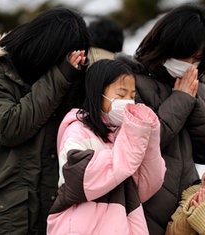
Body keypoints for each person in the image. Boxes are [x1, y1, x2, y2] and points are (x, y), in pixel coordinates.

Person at [0, 7, 90, 234]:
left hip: (44, 214)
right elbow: (10, 127)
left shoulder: (56, 84)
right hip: (1, 219)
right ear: (48, 48)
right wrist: (60, 76)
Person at [116, 3, 205, 234]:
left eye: (196, 59)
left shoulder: (199, 88)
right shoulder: (127, 79)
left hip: (185, 212)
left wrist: (193, 100)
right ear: (166, 45)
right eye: (184, 55)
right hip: (139, 209)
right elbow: (141, 146)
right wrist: (182, 99)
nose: (189, 65)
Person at [47, 59, 166, 235]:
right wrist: (130, 146)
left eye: (132, 96)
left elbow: (149, 184)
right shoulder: (77, 130)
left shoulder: (125, 134)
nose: (127, 102)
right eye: (121, 94)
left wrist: (150, 132)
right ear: (98, 93)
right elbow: (80, 177)